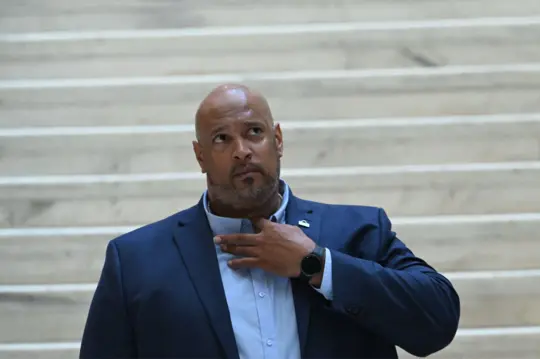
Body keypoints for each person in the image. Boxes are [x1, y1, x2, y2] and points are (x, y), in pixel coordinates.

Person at [79, 84, 460, 359]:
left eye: (254, 132)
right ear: (199, 156)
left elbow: (437, 321)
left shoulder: (358, 231)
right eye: (221, 139)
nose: (242, 151)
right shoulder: (135, 261)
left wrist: (317, 264)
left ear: (277, 139)